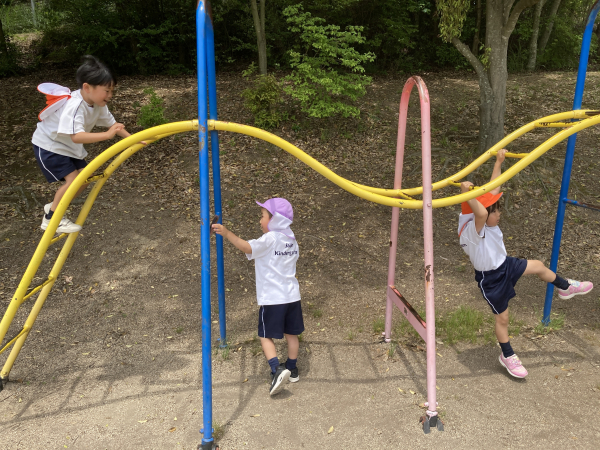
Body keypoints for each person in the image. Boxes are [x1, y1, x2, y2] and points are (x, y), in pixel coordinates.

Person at [459, 149, 593, 378]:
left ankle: (565, 287)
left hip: (505, 265)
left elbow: (493, 189)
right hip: (490, 279)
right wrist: (465, 192)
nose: (499, 214)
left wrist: (498, 162)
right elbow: (481, 212)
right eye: (496, 211)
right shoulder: (470, 229)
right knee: (503, 318)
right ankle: (507, 355)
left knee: (539, 265)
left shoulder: (485, 220)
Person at [32, 55, 142, 234]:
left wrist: (135, 139)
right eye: (107, 91)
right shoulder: (75, 105)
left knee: (84, 179)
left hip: (67, 148)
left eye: (112, 91)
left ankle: (53, 206)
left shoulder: (98, 104)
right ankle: (51, 218)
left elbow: (114, 126)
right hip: (49, 146)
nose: (110, 95)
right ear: (87, 87)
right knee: (74, 180)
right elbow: (76, 136)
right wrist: (107, 136)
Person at [212, 198, 303, 396]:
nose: (260, 221)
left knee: (264, 335)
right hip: (292, 296)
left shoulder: (270, 239)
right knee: (291, 334)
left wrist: (226, 233)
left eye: (262, 216)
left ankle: (276, 369)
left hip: (273, 298)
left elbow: (247, 247)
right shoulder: (291, 239)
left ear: (275, 220)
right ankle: (293, 369)